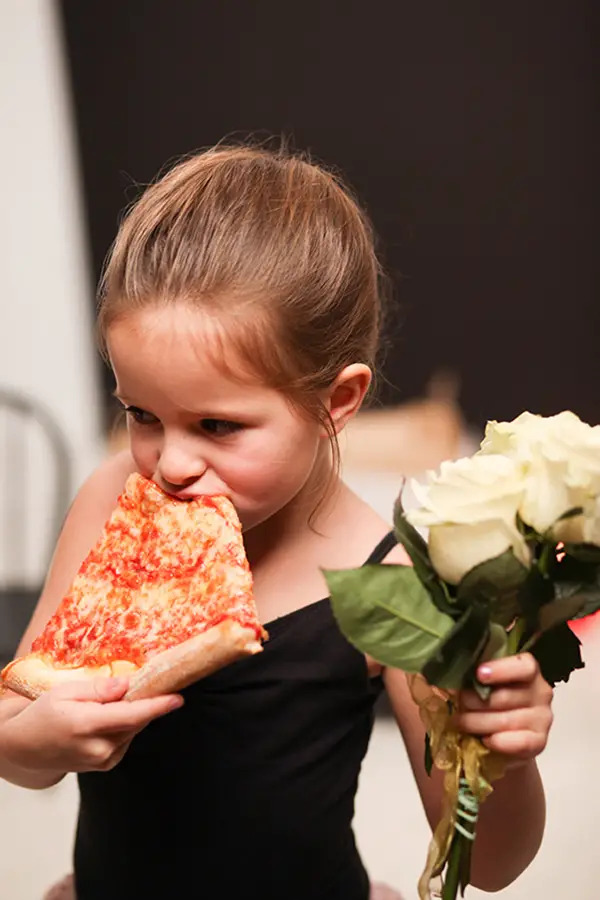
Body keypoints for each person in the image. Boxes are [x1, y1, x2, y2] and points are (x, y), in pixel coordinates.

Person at [0, 144, 553, 900]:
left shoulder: (391, 580)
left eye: (218, 426)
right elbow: (21, 748)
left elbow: (487, 867)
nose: (169, 464)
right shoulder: (110, 499)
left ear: (338, 401)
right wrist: (30, 741)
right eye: (141, 414)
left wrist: (507, 758)